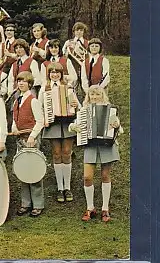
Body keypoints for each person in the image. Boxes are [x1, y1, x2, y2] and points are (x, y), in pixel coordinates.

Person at [68, 85, 123, 222]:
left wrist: (116, 124)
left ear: (102, 95)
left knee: (105, 175)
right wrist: (75, 127)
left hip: (106, 145)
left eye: (97, 94)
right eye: (92, 95)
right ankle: (90, 207)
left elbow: (119, 128)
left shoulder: (110, 109)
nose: (94, 97)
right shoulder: (84, 110)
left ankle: (105, 208)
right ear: (88, 96)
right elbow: (74, 125)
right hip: (90, 145)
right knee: (87, 177)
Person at [39, 63, 79, 203]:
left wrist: (75, 105)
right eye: (52, 72)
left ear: (61, 74)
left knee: (67, 152)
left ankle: (67, 187)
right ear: (48, 74)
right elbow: (40, 106)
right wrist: (44, 119)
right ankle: (60, 188)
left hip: (67, 122)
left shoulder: (68, 87)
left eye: (57, 72)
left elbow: (77, 105)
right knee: (56, 153)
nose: (54, 75)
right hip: (53, 123)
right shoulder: (45, 88)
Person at [12, 72, 45, 217]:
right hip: (20, 140)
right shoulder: (16, 101)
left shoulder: (33, 101)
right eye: (19, 81)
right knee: (23, 171)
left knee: (34, 172)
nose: (21, 84)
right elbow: (15, 119)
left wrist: (32, 136)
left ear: (30, 84)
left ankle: (37, 205)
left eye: (24, 81)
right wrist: (14, 128)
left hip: (31, 141)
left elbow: (40, 121)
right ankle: (25, 203)